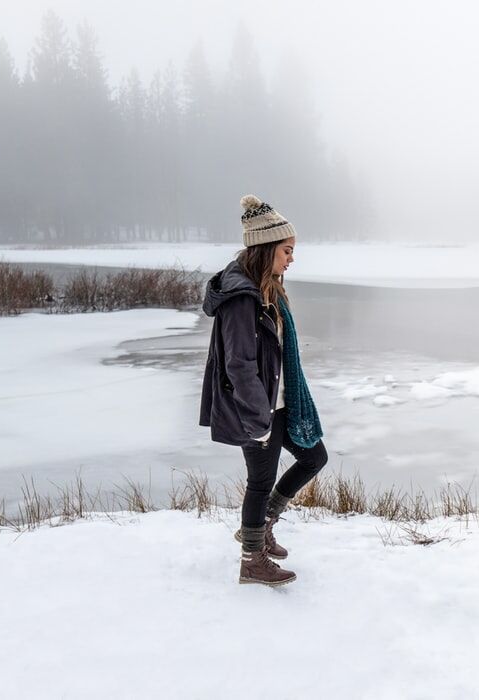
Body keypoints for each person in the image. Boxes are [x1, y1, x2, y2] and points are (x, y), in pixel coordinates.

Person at [199, 194, 328, 587]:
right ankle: (251, 560)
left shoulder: (267, 289)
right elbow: (239, 364)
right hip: (257, 409)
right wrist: (259, 419)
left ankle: (262, 526)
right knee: (260, 480)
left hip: (279, 403)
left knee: (313, 457)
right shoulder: (242, 298)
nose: (291, 259)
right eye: (287, 250)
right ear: (267, 248)